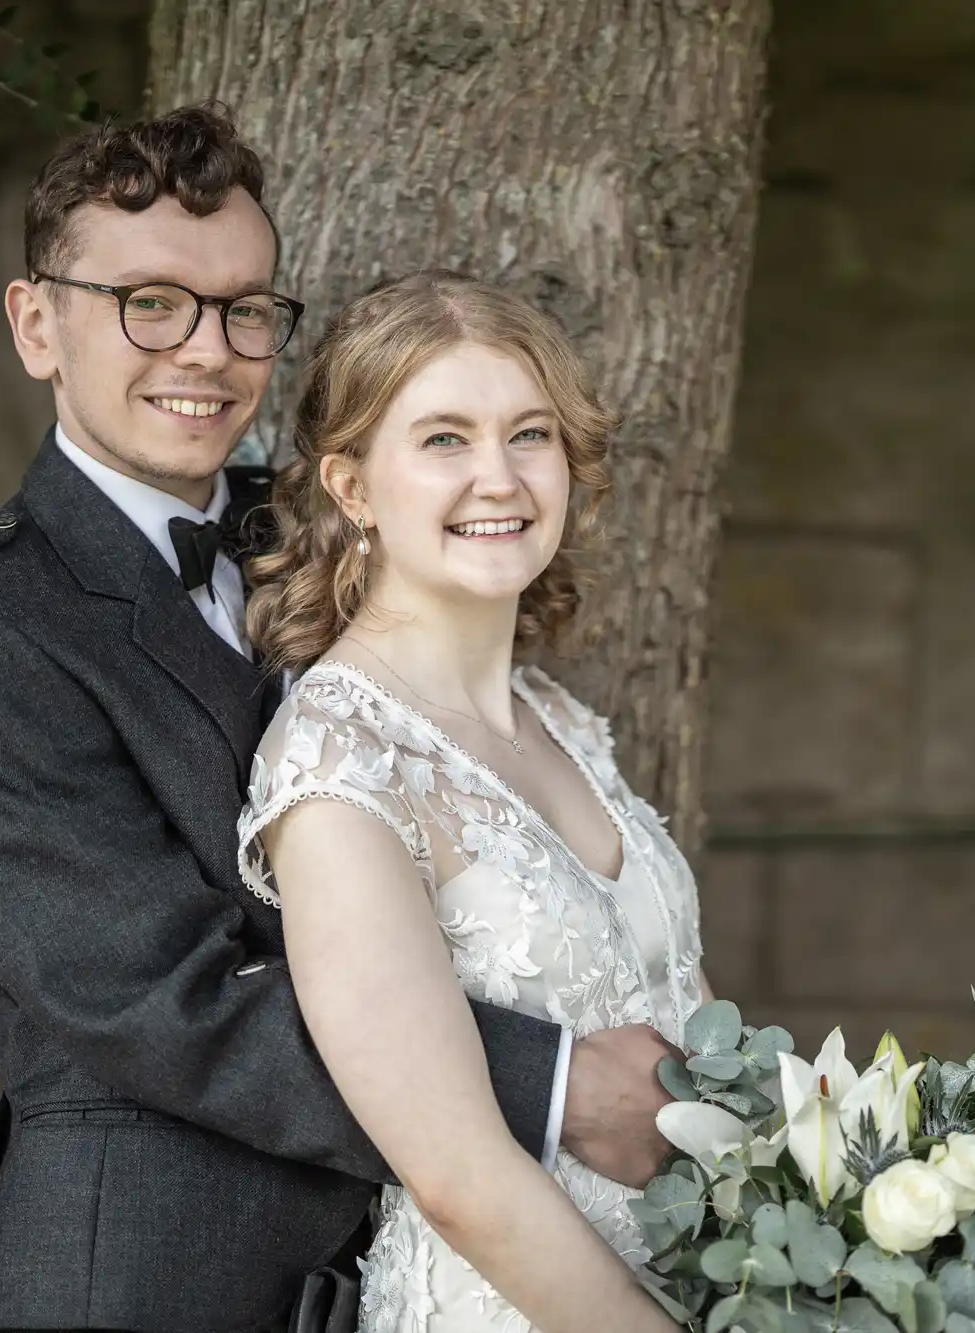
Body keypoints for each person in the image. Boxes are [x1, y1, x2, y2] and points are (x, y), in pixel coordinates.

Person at [0, 104, 677, 1333]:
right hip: (143, 1276)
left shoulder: (330, 529)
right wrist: (553, 1084)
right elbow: (160, 995)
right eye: (150, 303)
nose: (205, 351)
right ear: (36, 323)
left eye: (244, 308)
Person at [236, 269, 711, 1332]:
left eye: (528, 434)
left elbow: (685, 1014)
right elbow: (455, 1174)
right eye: (443, 439)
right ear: (352, 486)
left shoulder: (561, 721)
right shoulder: (339, 760)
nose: (497, 478)